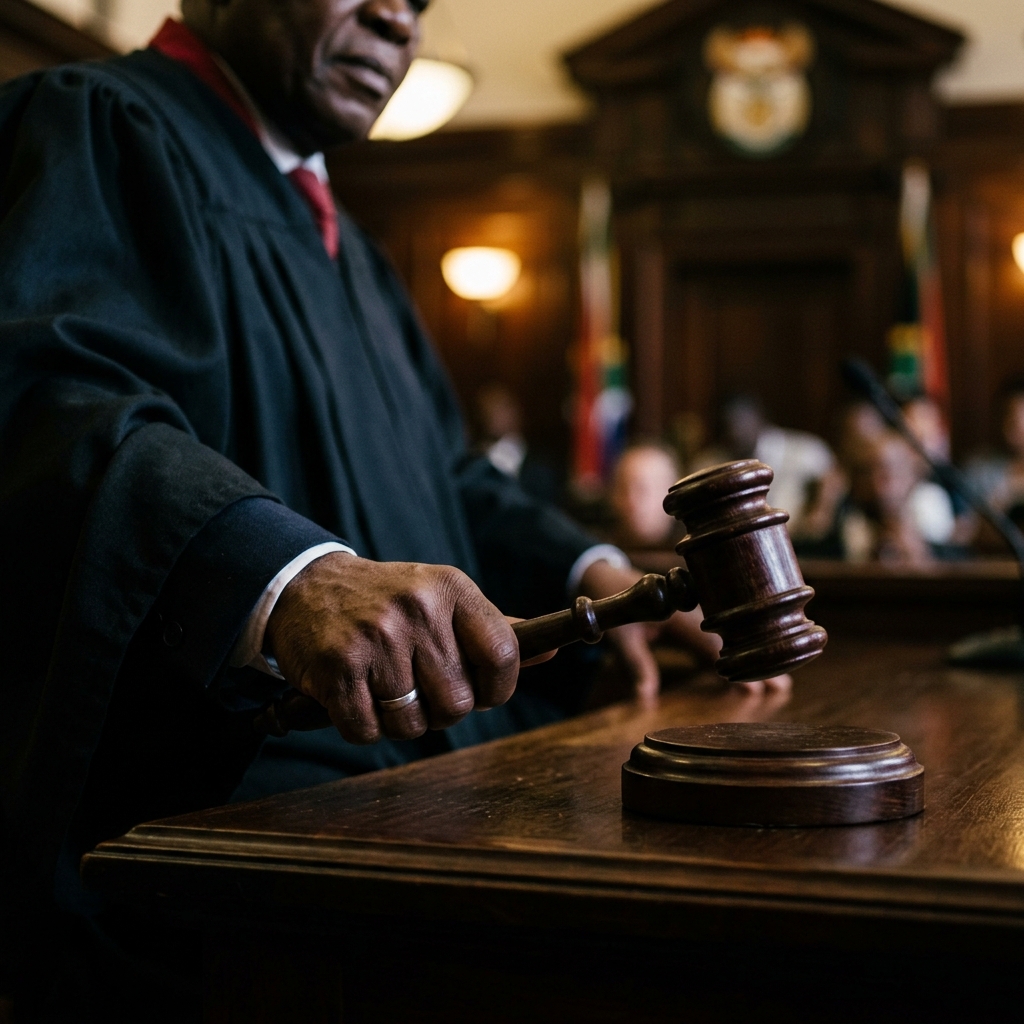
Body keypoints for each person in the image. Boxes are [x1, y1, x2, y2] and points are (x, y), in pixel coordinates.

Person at [0, 3, 783, 1016]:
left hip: (418, 775)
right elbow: (47, 407)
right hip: (218, 818)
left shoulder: (355, 251)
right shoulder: (93, 125)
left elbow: (445, 475)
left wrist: (594, 571)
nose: (394, 18)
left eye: (419, 1)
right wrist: (287, 577)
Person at [693, 394, 835, 535]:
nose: (735, 432)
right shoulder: (708, 464)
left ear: (758, 417)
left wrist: (821, 509)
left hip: (800, 545)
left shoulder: (806, 451)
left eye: (741, 421)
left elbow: (833, 480)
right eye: (728, 426)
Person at [472, 383, 559, 503]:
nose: (496, 416)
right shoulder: (474, 459)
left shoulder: (540, 461)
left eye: (502, 408)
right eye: (490, 410)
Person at [607, 442, 685, 550]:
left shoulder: (698, 552)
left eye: (644, 489)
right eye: (624, 488)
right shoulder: (599, 554)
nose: (633, 501)